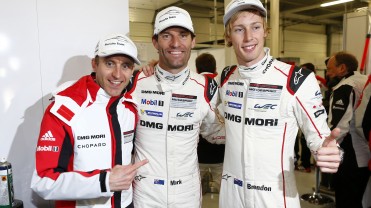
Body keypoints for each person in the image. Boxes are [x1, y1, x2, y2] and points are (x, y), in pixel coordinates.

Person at [218, 0, 342, 207]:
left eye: (255, 27)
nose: (249, 37)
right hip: (231, 195)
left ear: (266, 31)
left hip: (275, 196)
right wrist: (152, 70)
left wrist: (330, 151)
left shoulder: (297, 79)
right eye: (239, 29)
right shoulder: (225, 77)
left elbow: (319, 137)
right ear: (228, 36)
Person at [31, 34, 148, 208]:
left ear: (132, 70)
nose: (117, 74)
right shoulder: (64, 109)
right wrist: (104, 181)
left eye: (125, 66)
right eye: (109, 64)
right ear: (95, 64)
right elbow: (43, 181)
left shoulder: (130, 105)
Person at [124, 6, 225, 207]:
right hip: (145, 192)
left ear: (193, 41)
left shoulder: (208, 87)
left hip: (187, 193)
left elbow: (215, 132)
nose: (176, 43)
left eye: (183, 35)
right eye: (167, 36)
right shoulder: (134, 81)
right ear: (155, 41)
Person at [326, 51, 370, 208]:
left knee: (346, 199)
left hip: (350, 154)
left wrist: (326, 149)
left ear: (342, 68)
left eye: (330, 69)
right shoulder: (365, 81)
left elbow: (339, 127)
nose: (328, 73)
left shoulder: (344, 87)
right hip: (366, 152)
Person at [195, 53, 225, 193]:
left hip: (198, 151)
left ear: (196, 69)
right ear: (215, 69)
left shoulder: (193, 84)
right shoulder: (223, 84)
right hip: (221, 151)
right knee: (222, 194)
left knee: (196, 193)